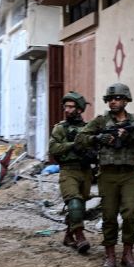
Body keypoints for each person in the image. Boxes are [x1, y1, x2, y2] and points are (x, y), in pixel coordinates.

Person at [77, 82, 134, 267]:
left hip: (129, 174)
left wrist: (131, 136)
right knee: (109, 215)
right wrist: (97, 138)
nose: (113, 102)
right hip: (107, 175)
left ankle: (128, 253)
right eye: (110, 99)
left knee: (131, 212)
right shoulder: (100, 122)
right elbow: (81, 139)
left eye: (117, 98)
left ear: (126, 100)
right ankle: (110, 254)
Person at [49, 91, 95, 254]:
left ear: (80, 109)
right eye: (65, 106)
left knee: (79, 207)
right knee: (74, 203)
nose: (67, 110)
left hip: (86, 171)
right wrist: (72, 145)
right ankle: (80, 237)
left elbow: (96, 147)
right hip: (68, 171)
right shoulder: (60, 128)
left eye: (71, 107)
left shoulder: (89, 128)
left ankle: (69, 236)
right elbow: (53, 148)